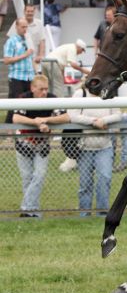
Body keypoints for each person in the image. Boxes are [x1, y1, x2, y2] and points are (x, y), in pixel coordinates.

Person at [13, 75, 70, 217]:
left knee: (39, 175)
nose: (44, 92)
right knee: (27, 178)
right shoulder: (24, 98)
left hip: (42, 144)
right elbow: (16, 118)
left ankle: (26, 208)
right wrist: (36, 122)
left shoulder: (52, 98)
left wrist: (46, 120)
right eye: (41, 89)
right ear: (33, 88)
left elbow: (65, 117)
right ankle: (33, 212)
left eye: (46, 89)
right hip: (23, 143)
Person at [68, 87, 122, 216]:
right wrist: (93, 122)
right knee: (85, 183)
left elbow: (118, 114)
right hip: (84, 147)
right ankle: (84, 213)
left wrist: (104, 121)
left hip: (105, 146)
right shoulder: (80, 93)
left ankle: (102, 213)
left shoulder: (109, 93)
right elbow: (72, 115)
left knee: (105, 178)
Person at [3, 18, 37, 123]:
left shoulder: (28, 39)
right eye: (23, 27)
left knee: (28, 104)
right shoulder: (11, 41)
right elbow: (7, 60)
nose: (25, 29)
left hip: (29, 76)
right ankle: (9, 129)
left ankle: (24, 129)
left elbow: (31, 58)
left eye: (26, 26)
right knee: (15, 104)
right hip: (17, 76)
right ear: (16, 27)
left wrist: (36, 72)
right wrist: (24, 55)